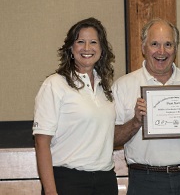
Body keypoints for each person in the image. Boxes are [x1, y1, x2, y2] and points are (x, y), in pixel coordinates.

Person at [112, 18, 180, 195]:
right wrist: (135, 122)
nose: (161, 51)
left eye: (168, 44)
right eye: (154, 44)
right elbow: (112, 140)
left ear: (175, 48)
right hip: (146, 181)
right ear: (143, 48)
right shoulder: (123, 85)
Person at [32, 17, 118, 195]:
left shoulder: (106, 88)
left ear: (102, 49)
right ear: (71, 48)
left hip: (105, 181)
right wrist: (50, 191)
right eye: (80, 42)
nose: (87, 48)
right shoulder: (55, 84)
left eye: (93, 42)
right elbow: (41, 142)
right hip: (68, 182)